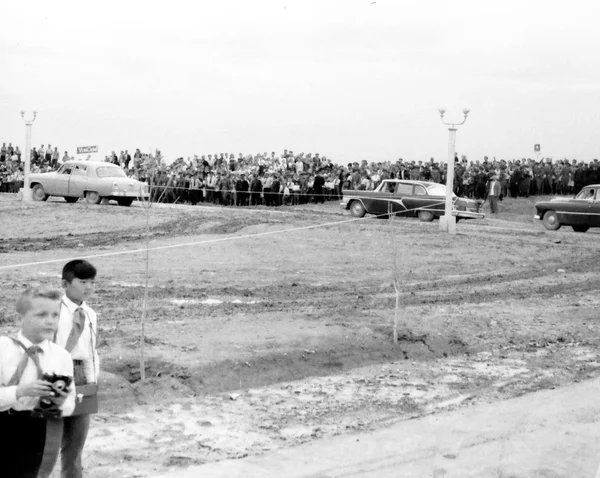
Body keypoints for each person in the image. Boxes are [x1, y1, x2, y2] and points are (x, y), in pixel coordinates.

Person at [0, 287, 76, 478]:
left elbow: (69, 404)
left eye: (55, 315)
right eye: (41, 314)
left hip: (39, 429)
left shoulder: (61, 356)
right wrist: (20, 391)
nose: (50, 321)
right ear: (19, 319)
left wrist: (60, 402)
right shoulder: (3, 349)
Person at [54, 260, 100, 478]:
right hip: (56, 376)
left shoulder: (90, 314)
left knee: (75, 446)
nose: (88, 287)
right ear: (65, 283)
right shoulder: (53, 312)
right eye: (82, 281)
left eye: (92, 282)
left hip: (80, 376)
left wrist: (92, 382)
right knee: (47, 445)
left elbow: (91, 352)